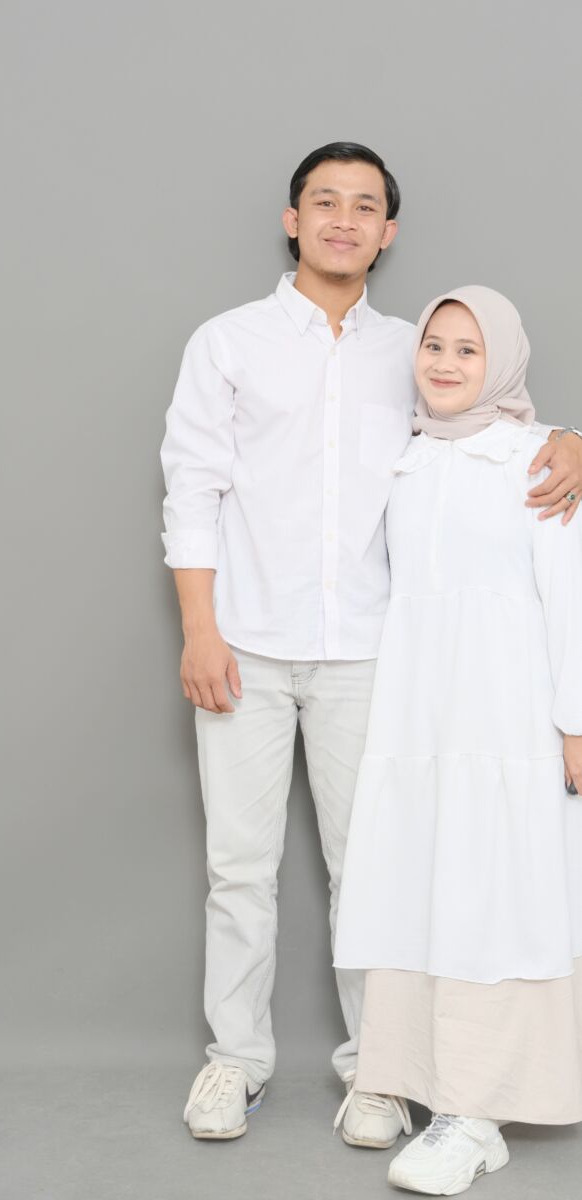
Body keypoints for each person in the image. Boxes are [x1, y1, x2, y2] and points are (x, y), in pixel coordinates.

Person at [160, 142, 582, 1144]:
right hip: (245, 644)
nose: (342, 220)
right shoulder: (227, 343)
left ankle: (377, 1070)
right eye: (325, 201)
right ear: (293, 219)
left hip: (371, 656)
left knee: (377, 867)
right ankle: (236, 1061)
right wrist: (200, 631)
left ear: (387, 232)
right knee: (238, 867)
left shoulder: (410, 347)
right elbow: (192, 488)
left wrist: (574, 438)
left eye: (364, 206)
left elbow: (487, 408)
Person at [333, 286, 582, 1194]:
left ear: (502, 362)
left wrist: (576, 721)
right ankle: (415, 1081)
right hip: (417, 721)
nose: (443, 363)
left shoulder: (537, 459)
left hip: (505, 722)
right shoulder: (405, 459)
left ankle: (477, 1114)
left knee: (494, 900)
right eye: (433, 344)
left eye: (467, 350)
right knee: (421, 891)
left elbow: (573, 598)